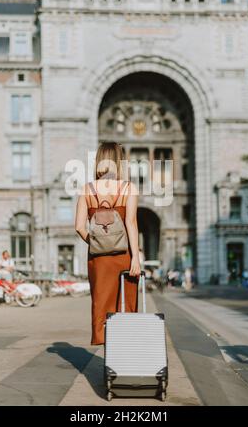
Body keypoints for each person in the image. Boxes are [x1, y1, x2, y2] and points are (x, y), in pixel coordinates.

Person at [75, 142, 141, 345]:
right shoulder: (128, 188)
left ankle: (107, 350)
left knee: (102, 302)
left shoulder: (87, 190)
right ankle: (124, 352)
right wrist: (136, 258)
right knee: (125, 304)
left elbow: (79, 227)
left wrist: (96, 243)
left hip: (98, 260)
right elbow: (130, 222)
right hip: (124, 257)